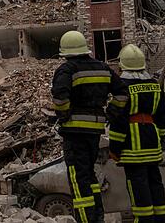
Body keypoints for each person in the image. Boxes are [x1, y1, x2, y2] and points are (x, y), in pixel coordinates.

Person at [51, 30, 121, 223]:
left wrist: (63, 115)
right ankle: (97, 216)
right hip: (94, 133)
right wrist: (110, 113)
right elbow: (123, 94)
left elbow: (59, 97)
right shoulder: (103, 68)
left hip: (74, 132)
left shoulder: (67, 70)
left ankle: (86, 219)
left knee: (77, 179)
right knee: (89, 175)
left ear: (66, 52)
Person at [107, 44, 165, 223]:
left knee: (138, 185)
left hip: (132, 147)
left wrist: (115, 149)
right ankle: (161, 218)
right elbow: (163, 118)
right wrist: (160, 139)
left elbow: (118, 122)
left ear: (122, 65)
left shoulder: (122, 88)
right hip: (152, 141)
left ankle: (144, 220)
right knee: (155, 182)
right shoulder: (156, 86)